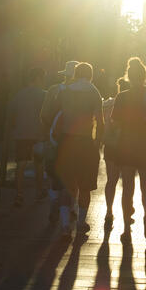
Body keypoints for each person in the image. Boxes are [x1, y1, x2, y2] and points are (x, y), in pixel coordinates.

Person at [111, 57, 146, 241]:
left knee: (127, 187)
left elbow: (115, 122)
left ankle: (127, 228)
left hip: (126, 145)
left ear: (128, 77)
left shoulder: (122, 96)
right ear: (144, 76)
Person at [55, 62, 104, 235]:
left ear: (75, 74)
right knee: (85, 186)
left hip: (66, 142)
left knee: (66, 185)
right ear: (90, 75)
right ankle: (81, 222)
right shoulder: (94, 92)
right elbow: (100, 121)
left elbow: (54, 115)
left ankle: (64, 225)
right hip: (85, 142)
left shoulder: (65, 91)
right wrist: (97, 143)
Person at [40, 60, 78, 224]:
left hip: (53, 139)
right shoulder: (83, 93)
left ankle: (54, 204)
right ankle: (70, 210)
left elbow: (44, 115)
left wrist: (48, 134)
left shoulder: (53, 90)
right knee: (72, 178)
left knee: (54, 176)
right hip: (74, 142)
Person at [5, 67, 46, 206]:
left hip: (21, 134)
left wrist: (13, 129)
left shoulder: (19, 95)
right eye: (42, 78)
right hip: (39, 135)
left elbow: (10, 114)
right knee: (39, 165)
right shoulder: (44, 95)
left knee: (21, 165)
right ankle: (39, 192)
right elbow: (47, 115)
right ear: (38, 78)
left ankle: (19, 195)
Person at [102, 78, 129, 224]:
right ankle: (128, 209)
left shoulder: (107, 104)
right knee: (127, 181)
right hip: (126, 146)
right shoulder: (132, 105)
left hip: (110, 145)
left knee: (111, 180)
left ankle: (109, 211)